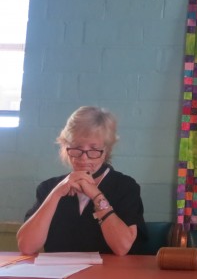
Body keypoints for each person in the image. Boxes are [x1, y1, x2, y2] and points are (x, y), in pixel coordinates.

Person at [17, 106, 147, 255]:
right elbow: (26, 247)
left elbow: (122, 248)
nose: (83, 157)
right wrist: (56, 194)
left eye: (93, 149)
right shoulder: (48, 187)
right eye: (77, 148)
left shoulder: (125, 186)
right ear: (66, 147)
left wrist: (97, 196)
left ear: (106, 151)